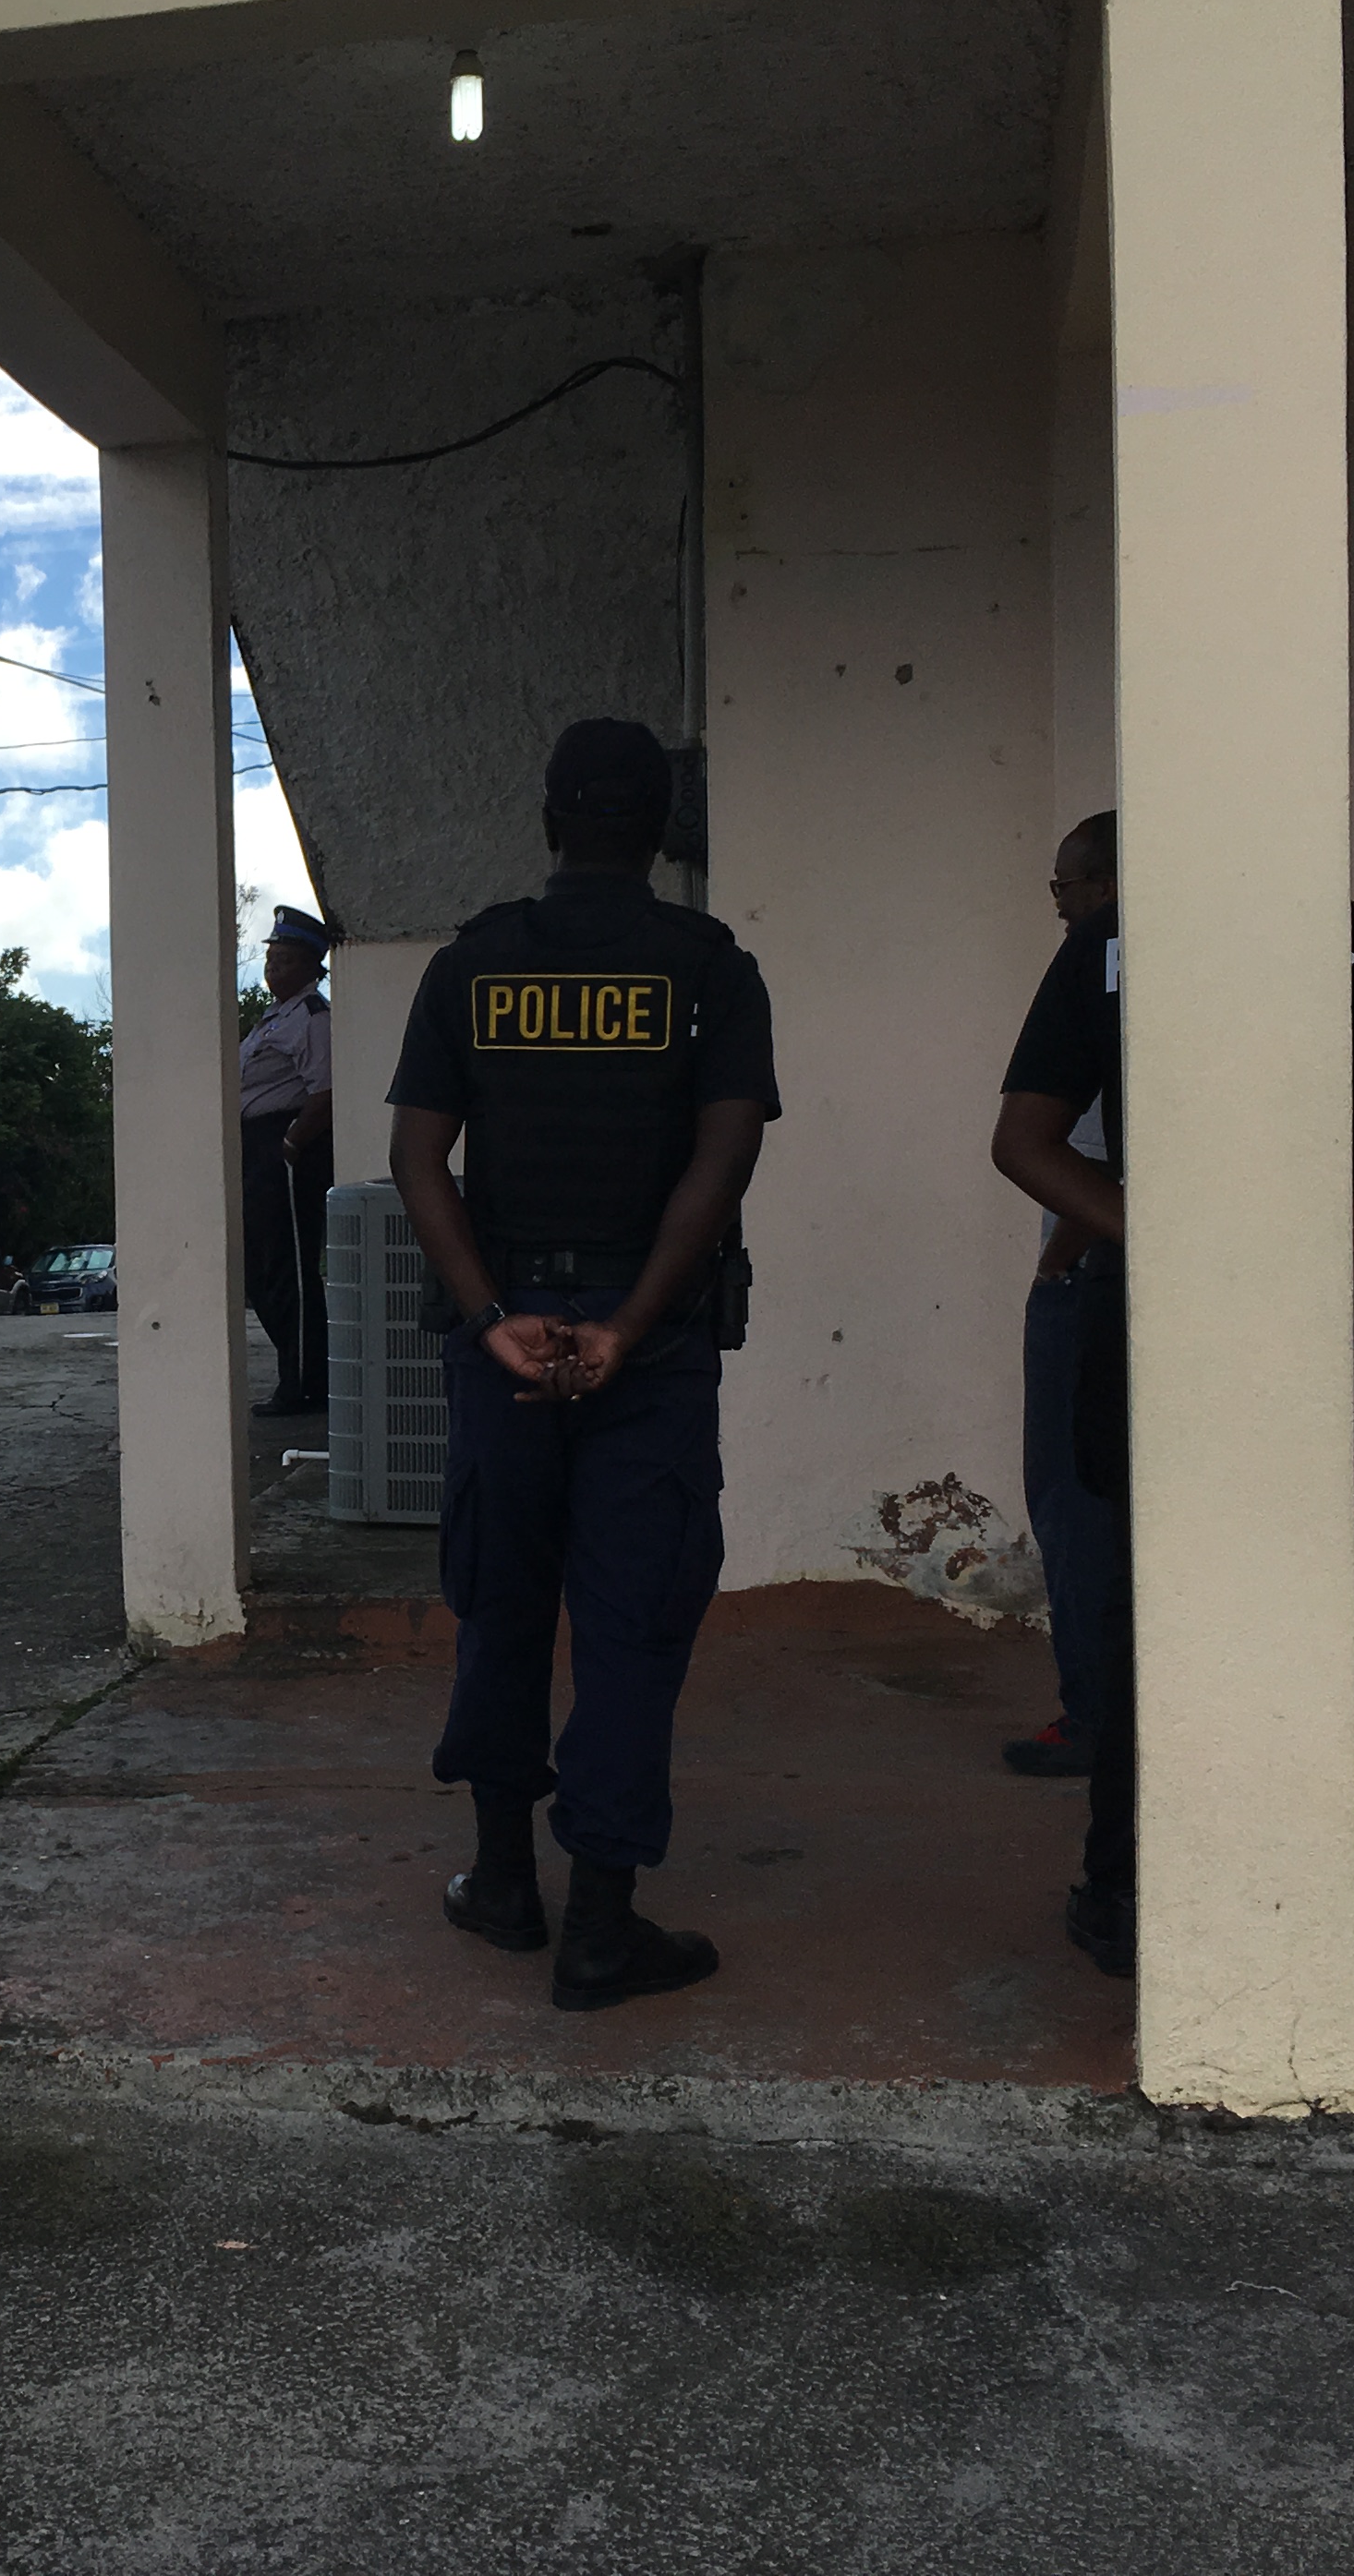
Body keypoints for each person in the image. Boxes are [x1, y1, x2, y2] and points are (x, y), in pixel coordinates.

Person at [989, 814, 1354, 1978]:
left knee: (1136, 1604)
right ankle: (1272, 1891)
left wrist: (1158, 1244)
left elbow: (1025, 1141)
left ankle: (1125, 1893)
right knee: (1290, 1590)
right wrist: (1309, 1252)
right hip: (1315, 1312)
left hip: (1155, 1312)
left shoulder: (1114, 947)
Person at [387, 718, 779, 2011]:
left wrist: (496, 1313)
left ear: (550, 821)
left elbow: (416, 1162)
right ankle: (600, 1930)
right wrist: (630, 1324)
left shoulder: (473, 965)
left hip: (505, 1340)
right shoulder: (709, 969)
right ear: (663, 831)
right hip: (645, 1348)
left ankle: (503, 1885)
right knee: (630, 1624)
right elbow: (719, 1166)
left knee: (502, 1599)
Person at [1001, 817, 1123, 1779]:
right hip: (1185, 1279)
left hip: (1094, 1280)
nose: (1060, 903)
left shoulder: (1096, 974)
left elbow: (1079, 1155)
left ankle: (1093, 1715)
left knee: (1074, 1501)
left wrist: (1066, 1261)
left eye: (1071, 881)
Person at [238, 903, 337, 1415]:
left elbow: (325, 1091)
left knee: (289, 1269)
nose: (273, 970)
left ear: (310, 968)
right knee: (259, 1268)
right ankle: (294, 1373)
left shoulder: (312, 1018)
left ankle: (305, 1385)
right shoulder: (270, 1020)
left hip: (288, 1145)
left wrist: (292, 1144)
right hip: (254, 1146)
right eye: (270, 961)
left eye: (285, 962)